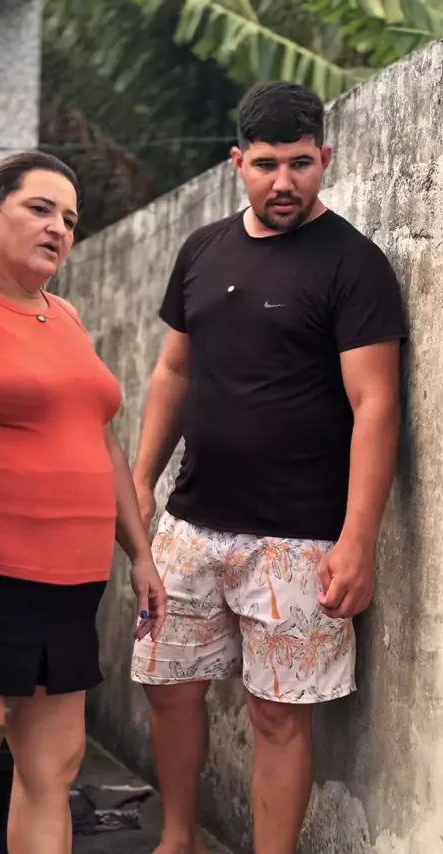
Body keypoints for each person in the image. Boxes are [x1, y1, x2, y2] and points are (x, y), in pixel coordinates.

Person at [131, 82, 406, 854]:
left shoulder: (354, 265)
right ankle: (177, 841)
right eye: (265, 165)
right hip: (189, 527)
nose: (283, 182)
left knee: (278, 715)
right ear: (236, 163)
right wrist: (142, 481)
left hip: (299, 542)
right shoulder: (201, 251)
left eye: (300, 163)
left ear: (326, 158)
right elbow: (173, 372)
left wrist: (358, 539)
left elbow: (377, 405)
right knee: (167, 687)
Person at [0, 150, 166, 854]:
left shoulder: (67, 316)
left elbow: (100, 439)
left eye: (70, 220)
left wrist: (140, 554)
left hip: (70, 587)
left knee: (54, 768)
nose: (58, 228)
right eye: (40, 209)